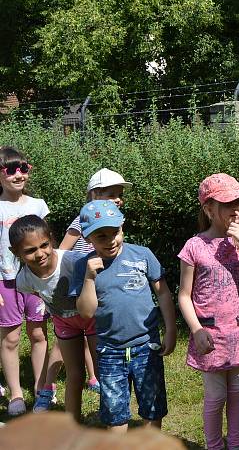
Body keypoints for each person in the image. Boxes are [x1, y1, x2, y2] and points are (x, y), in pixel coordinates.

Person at [70, 200, 176, 433]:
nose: (110, 241)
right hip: (110, 352)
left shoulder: (143, 255)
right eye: (101, 236)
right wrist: (89, 278)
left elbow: (164, 293)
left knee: (152, 407)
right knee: (115, 414)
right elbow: (86, 312)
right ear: (88, 239)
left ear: (122, 227)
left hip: (147, 346)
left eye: (114, 232)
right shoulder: (82, 266)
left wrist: (170, 330)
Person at [177, 174, 239, 450]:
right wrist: (196, 329)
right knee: (216, 395)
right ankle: (214, 445)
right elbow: (184, 296)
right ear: (209, 209)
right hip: (210, 336)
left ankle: (236, 444)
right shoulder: (194, 246)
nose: (236, 210)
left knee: (238, 391)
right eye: (228, 204)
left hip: (238, 333)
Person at [10, 215, 97, 421]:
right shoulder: (23, 280)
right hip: (64, 323)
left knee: (103, 370)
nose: (40, 254)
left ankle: (111, 417)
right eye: (30, 250)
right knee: (74, 375)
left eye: (44, 245)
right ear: (16, 252)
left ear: (51, 239)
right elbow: (41, 294)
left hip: (93, 318)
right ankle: (72, 424)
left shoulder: (73, 260)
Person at [57, 168, 129, 394]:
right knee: (79, 328)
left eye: (120, 194)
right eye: (112, 194)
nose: (118, 199)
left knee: (95, 330)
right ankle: (83, 377)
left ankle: (96, 375)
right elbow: (62, 251)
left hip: (102, 281)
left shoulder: (115, 221)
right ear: (95, 194)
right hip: (80, 280)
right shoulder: (82, 220)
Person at [0, 146, 54, 416]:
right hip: (5, 281)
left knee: (38, 334)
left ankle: (42, 390)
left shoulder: (37, 205)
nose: (18, 174)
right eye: (10, 169)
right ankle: (16, 395)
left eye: (23, 168)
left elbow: (47, 244)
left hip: (36, 280)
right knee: (10, 338)